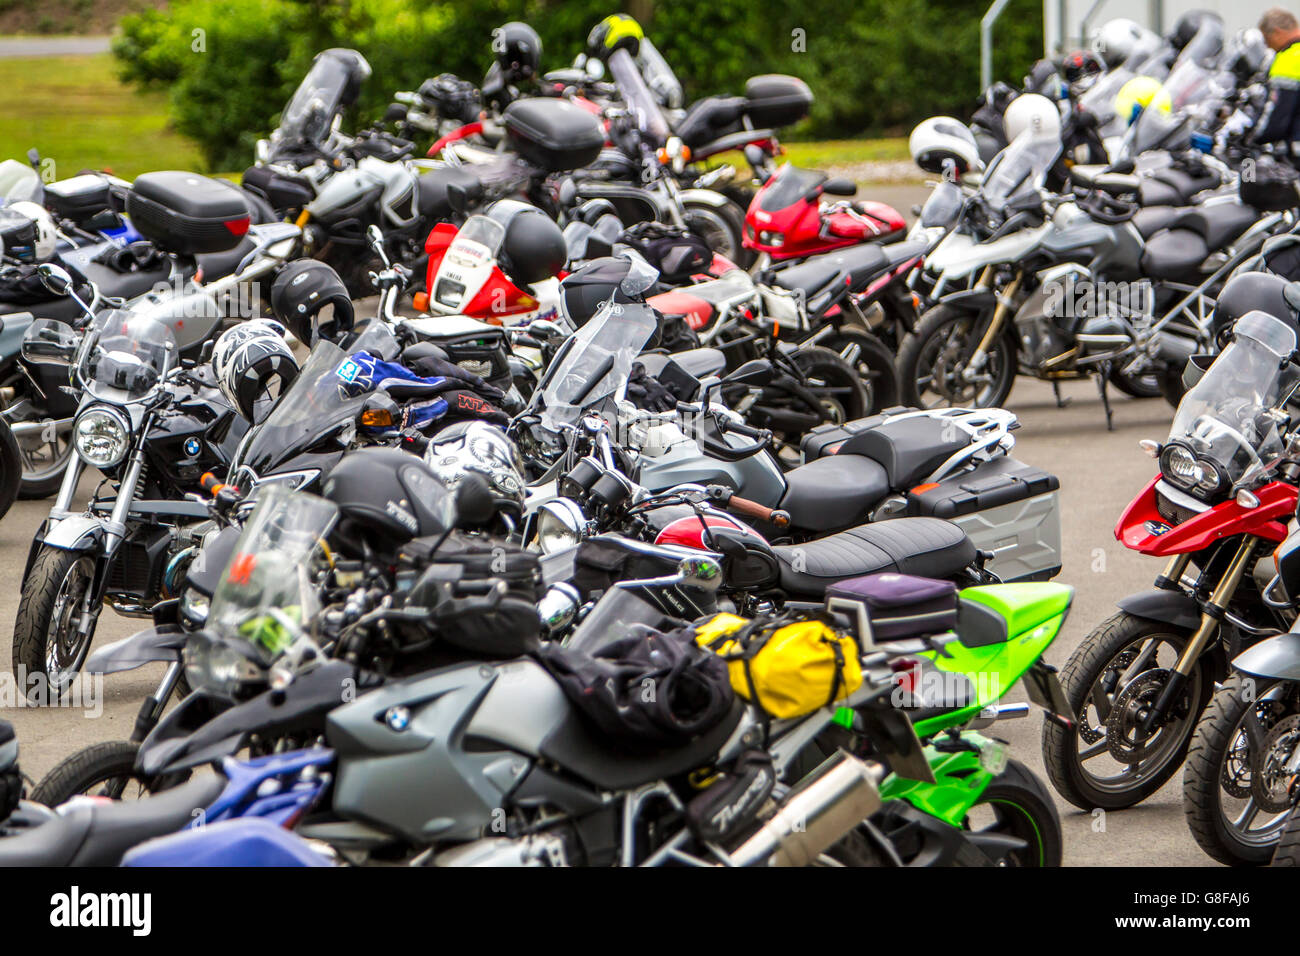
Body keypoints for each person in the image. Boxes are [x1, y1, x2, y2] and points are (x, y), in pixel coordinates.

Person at [1252, 8, 1300, 154]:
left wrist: (1255, 139)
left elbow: (1279, 117)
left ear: (1277, 33)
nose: (1267, 46)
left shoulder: (1289, 58)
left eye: (1266, 40)